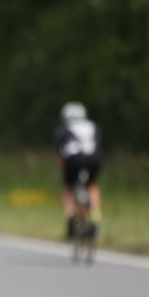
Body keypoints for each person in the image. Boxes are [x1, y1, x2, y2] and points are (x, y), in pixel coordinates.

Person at [55, 102, 102, 239]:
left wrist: (62, 171)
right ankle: (95, 217)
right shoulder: (92, 126)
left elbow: (61, 155)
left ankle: (70, 217)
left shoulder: (64, 129)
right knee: (92, 186)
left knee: (69, 188)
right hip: (94, 159)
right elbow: (98, 146)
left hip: (73, 160)